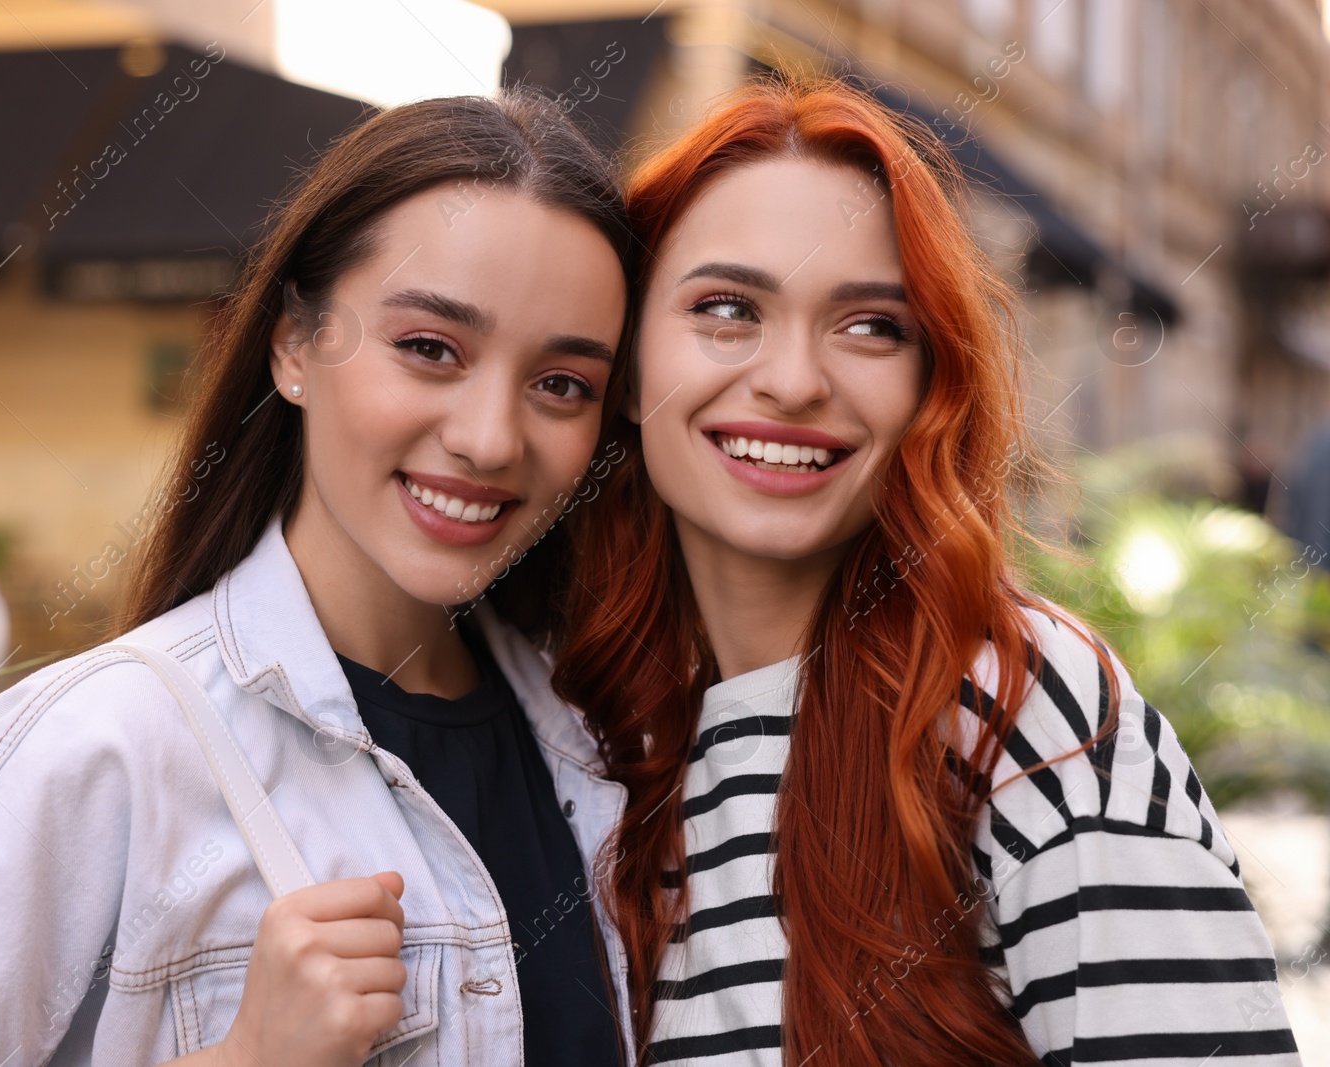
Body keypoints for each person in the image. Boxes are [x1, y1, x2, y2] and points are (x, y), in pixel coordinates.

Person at [0, 89, 636, 1067]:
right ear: (294, 345)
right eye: (428, 348)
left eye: (562, 383)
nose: (489, 437)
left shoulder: (595, 746)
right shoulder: (106, 741)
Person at [553, 75, 1303, 1067]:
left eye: (870, 325)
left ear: (925, 381)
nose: (791, 380)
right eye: (727, 308)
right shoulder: (584, 726)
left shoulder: (1018, 713)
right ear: (628, 355)